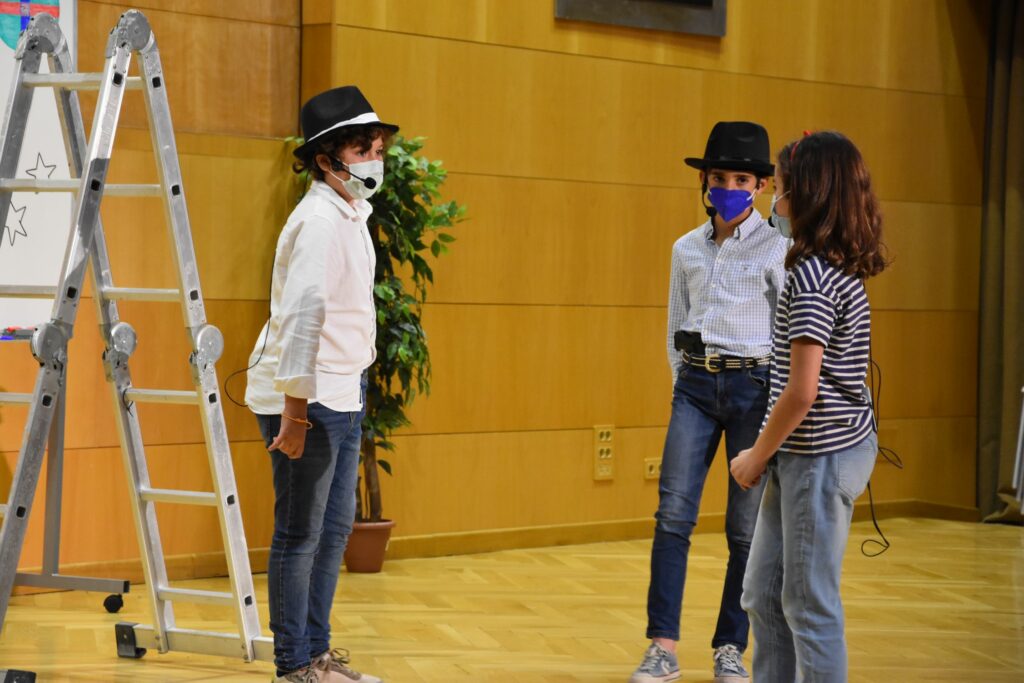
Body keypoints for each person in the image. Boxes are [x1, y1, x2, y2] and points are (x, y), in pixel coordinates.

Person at [245, 85, 397, 683]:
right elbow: (303, 321)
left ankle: (317, 655)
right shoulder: (316, 221)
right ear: (326, 159)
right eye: (364, 146)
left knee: (333, 531)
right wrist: (294, 412)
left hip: (342, 392)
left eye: (377, 145)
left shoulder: (350, 214)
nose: (376, 155)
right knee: (300, 534)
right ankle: (293, 667)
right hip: (306, 400)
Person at [631, 122, 788, 683]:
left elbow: (786, 332)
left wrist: (771, 407)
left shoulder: (780, 249)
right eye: (719, 177)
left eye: (740, 178)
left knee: (745, 530)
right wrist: (685, 381)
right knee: (673, 516)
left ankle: (730, 647)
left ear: (761, 187)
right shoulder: (686, 248)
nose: (728, 186)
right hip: (695, 387)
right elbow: (676, 323)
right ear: (704, 180)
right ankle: (663, 647)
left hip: (755, 390)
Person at [730, 131, 888, 682]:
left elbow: (803, 391)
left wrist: (754, 456)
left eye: (786, 186)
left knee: (808, 607)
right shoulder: (823, 265)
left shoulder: (814, 275)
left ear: (810, 194)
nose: (776, 199)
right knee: (764, 597)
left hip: (819, 457)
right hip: (803, 456)